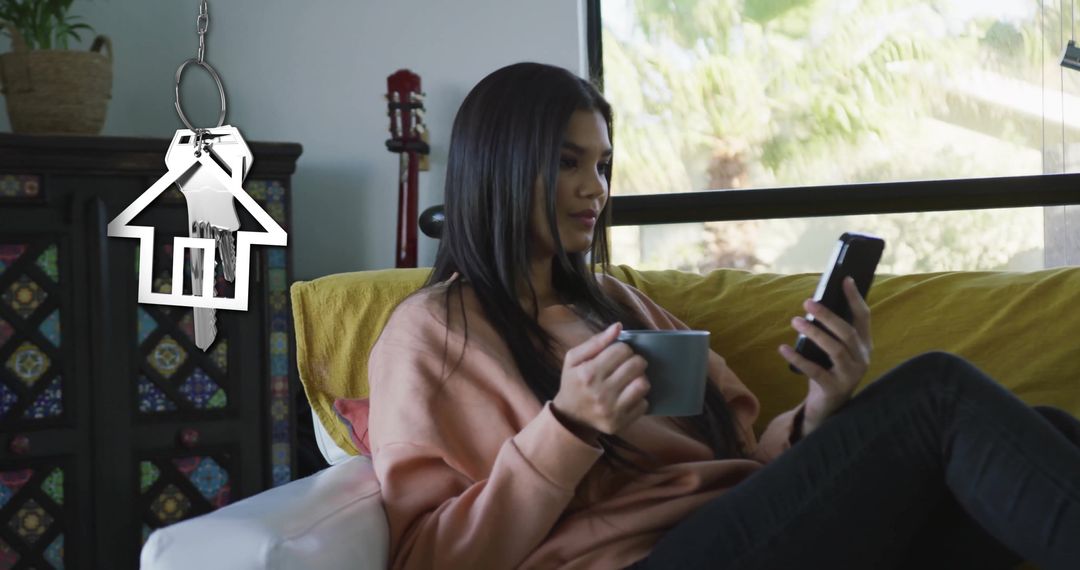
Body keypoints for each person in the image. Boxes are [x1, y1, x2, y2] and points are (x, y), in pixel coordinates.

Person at [366, 62, 1080, 570]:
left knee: (1051, 431)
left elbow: (745, 465)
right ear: (499, 165)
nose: (595, 189)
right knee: (938, 392)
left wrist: (822, 404)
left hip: (736, 533)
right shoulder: (432, 333)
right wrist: (570, 428)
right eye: (567, 162)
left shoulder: (614, 303)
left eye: (604, 165)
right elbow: (427, 559)